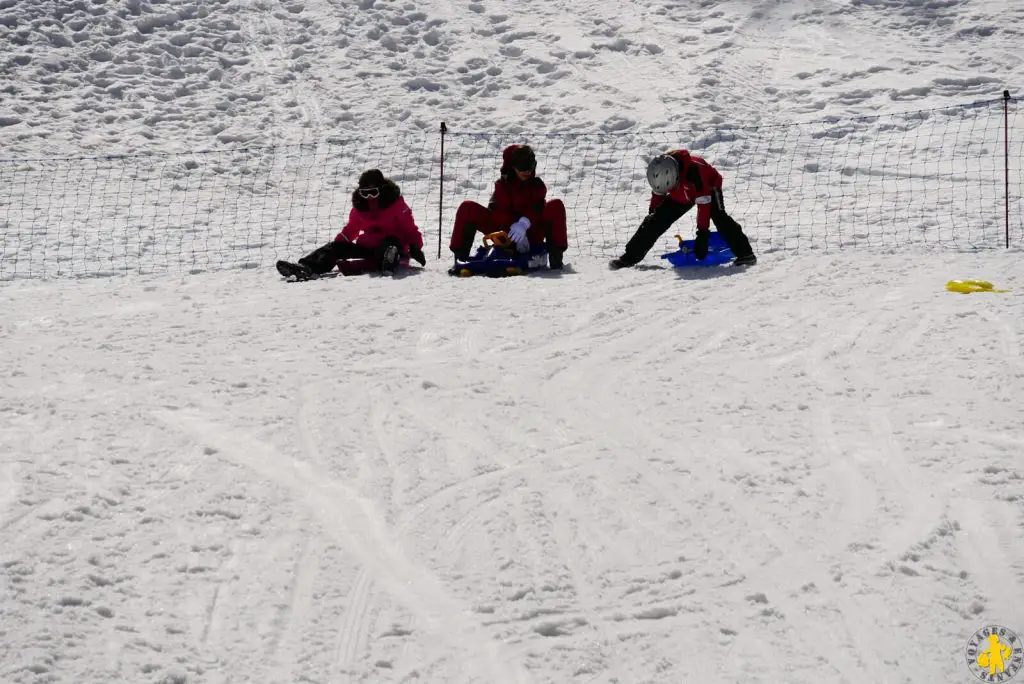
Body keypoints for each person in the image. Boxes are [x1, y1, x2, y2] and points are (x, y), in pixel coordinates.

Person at [609, 150, 756, 269]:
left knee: (719, 217)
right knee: (656, 220)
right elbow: (658, 196)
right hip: (680, 193)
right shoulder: (660, 171)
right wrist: (652, 218)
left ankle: (745, 254)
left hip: (708, 187)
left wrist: (702, 236)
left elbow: (703, 208)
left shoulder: (695, 174)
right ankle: (629, 258)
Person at [276, 169, 426, 280]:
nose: (369, 197)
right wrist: (337, 247)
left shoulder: (396, 205)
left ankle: (390, 260)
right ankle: (307, 267)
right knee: (335, 247)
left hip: (391, 245)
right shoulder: (360, 208)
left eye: (373, 192)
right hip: (368, 248)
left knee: (390, 243)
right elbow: (351, 230)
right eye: (364, 193)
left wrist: (415, 247)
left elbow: (410, 230)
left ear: (382, 190)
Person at [448, 144, 568, 271]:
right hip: (503, 235)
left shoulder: (537, 186)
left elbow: (537, 209)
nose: (527, 171)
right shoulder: (502, 186)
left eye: (531, 166)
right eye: (522, 166)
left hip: (531, 236)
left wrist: (524, 223)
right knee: (467, 208)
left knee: (556, 205)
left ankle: (556, 260)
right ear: (512, 166)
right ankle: (460, 259)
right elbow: (498, 213)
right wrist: (512, 227)